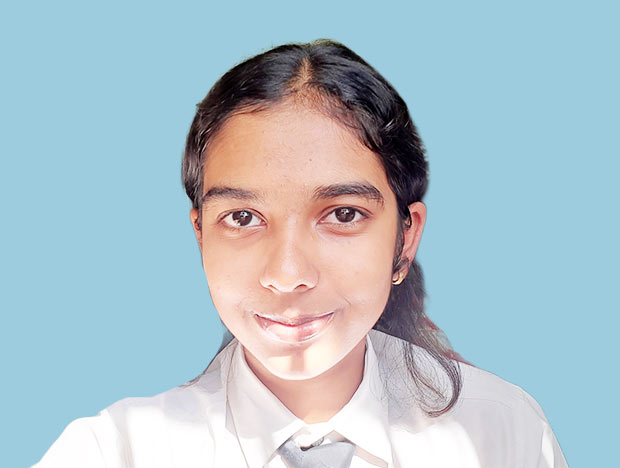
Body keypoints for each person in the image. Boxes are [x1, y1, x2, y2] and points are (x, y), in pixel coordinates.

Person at [34, 39, 568, 468]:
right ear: (200, 236)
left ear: (405, 239)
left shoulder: (503, 432)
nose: (288, 275)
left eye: (343, 214)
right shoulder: (110, 453)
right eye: (243, 218)